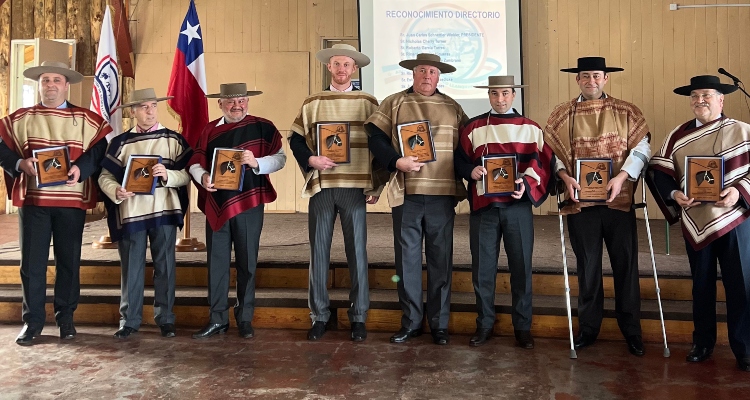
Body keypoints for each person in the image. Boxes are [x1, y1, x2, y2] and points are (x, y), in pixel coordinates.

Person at [543, 57, 651, 356]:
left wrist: (622, 177)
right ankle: (588, 329)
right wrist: (564, 177)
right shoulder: (562, 114)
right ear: (577, 79)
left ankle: (631, 330)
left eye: (597, 76)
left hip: (618, 201)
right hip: (581, 204)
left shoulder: (626, 110)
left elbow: (642, 147)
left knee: (626, 267)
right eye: (585, 76)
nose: (591, 81)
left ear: (606, 79)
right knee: (588, 269)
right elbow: (551, 152)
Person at [0, 61, 112, 345]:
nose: (50, 84)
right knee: (32, 263)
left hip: (70, 200)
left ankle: (66, 319)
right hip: (35, 200)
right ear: (39, 84)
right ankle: (33, 322)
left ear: (67, 85)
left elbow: (100, 147)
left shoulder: (86, 118)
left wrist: (81, 169)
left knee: (69, 262)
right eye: (45, 80)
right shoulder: (21, 118)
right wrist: (19, 163)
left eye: (56, 80)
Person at [647, 75, 750, 372]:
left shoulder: (742, 132)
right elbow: (660, 171)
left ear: (721, 99)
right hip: (696, 220)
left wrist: (739, 191)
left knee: (740, 285)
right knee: (701, 286)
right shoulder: (677, 136)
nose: (699, 100)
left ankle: (744, 346)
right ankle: (702, 343)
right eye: (694, 96)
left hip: (735, 220)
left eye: (706, 95)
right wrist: (675, 193)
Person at [366, 53, 468, 345]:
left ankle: (439, 324)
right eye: (422, 70)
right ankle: (410, 322)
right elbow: (375, 138)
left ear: (439, 76)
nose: (427, 76)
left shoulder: (452, 107)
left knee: (441, 261)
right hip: (407, 193)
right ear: (413, 73)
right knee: (406, 262)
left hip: (442, 194)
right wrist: (396, 162)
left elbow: (466, 149)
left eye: (432, 72)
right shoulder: (394, 102)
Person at [289, 44, 387, 342]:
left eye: (347, 64)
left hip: (354, 186)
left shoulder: (368, 102)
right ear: (329, 67)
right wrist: (310, 159)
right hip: (323, 186)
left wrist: (377, 184)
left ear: (354, 69)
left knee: (357, 252)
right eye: (336, 64)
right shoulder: (313, 101)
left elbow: (381, 145)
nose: (341, 69)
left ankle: (358, 316)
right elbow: (295, 140)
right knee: (318, 252)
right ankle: (319, 315)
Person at [455, 76, 555, 348]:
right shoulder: (473, 127)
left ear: (514, 95)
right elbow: (459, 161)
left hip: (517, 207)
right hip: (484, 208)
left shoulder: (531, 128)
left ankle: (523, 327)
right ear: (489, 95)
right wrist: (470, 171)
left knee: (521, 268)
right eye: (495, 94)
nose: (500, 99)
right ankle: (484, 324)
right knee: (482, 270)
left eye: (506, 94)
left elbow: (543, 165)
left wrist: (527, 184)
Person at [188, 83, 286, 339]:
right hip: (217, 203)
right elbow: (195, 162)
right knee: (216, 264)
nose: (236, 106)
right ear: (220, 103)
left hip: (249, 204)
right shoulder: (209, 129)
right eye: (230, 102)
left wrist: (258, 163)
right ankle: (217, 318)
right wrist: (203, 177)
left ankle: (245, 318)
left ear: (247, 101)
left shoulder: (262, 126)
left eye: (241, 100)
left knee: (247, 263)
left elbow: (280, 158)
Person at [98, 88, 193, 339]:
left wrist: (168, 175)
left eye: (153, 106)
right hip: (131, 213)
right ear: (133, 112)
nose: (149, 111)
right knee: (132, 268)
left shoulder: (174, 140)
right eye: (143, 107)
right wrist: (115, 191)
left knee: (165, 266)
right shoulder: (120, 142)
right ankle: (129, 320)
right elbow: (105, 176)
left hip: (164, 210)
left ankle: (166, 318)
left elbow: (187, 175)